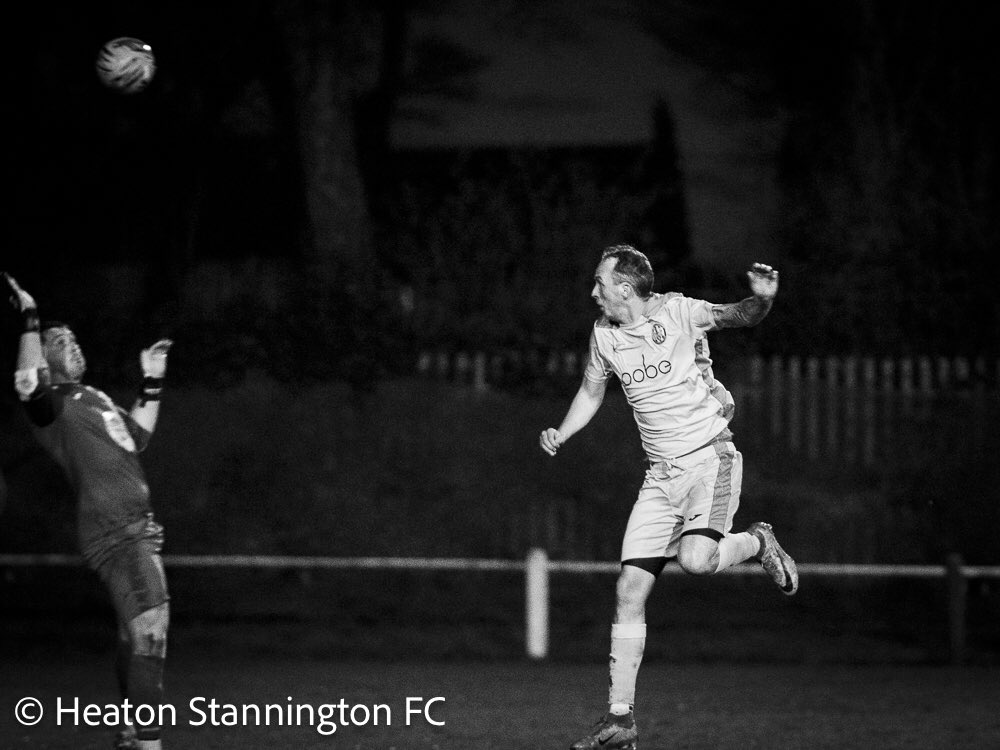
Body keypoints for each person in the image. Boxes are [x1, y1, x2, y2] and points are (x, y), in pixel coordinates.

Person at [539, 246, 798, 750]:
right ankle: (620, 719)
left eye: (600, 283)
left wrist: (762, 299)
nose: (593, 292)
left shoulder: (678, 312)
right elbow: (592, 392)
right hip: (659, 479)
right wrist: (563, 432)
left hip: (710, 461)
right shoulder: (604, 336)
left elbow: (736, 315)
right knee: (629, 590)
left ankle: (758, 542)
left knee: (696, 560)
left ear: (626, 289)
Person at [5, 272, 173, 750]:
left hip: (139, 527)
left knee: (133, 635)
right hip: (117, 531)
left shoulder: (92, 397)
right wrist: (31, 320)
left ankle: (128, 731)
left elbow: (137, 437)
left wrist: (152, 379)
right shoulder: (52, 407)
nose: (72, 343)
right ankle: (147, 744)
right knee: (151, 633)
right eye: (60, 340)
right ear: (44, 355)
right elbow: (28, 383)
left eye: (73, 336)